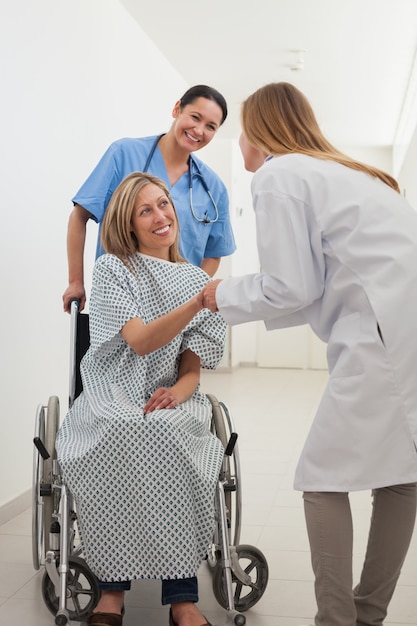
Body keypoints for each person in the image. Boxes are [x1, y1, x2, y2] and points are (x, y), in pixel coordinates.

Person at [202, 82, 417, 626]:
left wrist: (218, 294)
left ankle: (338, 621)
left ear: (262, 130)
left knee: (322, 477)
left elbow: (291, 286)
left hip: (382, 336)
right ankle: (367, 615)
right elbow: (316, 285)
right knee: (402, 473)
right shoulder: (355, 174)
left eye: (240, 128)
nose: (239, 142)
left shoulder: (280, 175)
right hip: (400, 328)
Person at [56, 172, 227, 626]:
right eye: (145, 210)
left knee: (170, 436)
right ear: (129, 224)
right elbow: (141, 343)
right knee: (121, 431)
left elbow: (191, 368)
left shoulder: (193, 276)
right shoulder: (114, 268)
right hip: (112, 392)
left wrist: (176, 393)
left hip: (170, 396)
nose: (160, 216)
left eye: (164, 204)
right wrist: (196, 302)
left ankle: (183, 599)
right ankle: (112, 592)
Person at [62, 84, 236, 313]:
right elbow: (79, 216)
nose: (199, 130)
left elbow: (213, 253)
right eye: (195, 117)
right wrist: (76, 282)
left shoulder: (214, 188)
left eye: (211, 126)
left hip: (174, 308)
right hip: (119, 301)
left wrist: (189, 294)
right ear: (177, 109)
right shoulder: (124, 153)